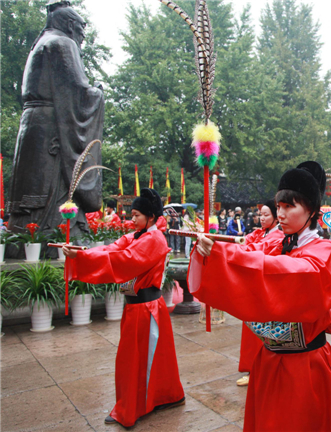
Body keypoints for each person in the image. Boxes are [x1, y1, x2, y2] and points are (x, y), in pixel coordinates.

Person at [188, 161, 331, 431]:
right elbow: (247, 254)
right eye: (279, 207)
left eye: (290, 207)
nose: (281, 214)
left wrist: (228, 256)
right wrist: (212, 249)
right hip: (267, 359)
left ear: (311, 210)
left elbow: (297, 274)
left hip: (305, 365)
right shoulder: (274, 242)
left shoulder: (326, 252)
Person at [63, 188, 185, 428]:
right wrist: (81, 253)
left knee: (139, 361)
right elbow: (112, 249)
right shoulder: (138, 235)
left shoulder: (154, 239)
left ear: (150, 217)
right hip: (136, 308)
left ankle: (135, 407)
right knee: (141, 359)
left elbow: (125, 260)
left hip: (147, 309)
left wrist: (84, 260)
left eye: (137, 215)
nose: (132, 219)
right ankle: (162, 397)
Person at [8, 2, 104, 240]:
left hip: (31, 124)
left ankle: (21, 241)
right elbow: (78, 91)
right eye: (81, 29)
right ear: (70, 25)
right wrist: (98, 93)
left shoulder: (39, 44)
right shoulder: (63, 43)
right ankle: (53, 239)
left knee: (33, 188)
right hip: (53, 125)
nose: (82, 36)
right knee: (56, 184)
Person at [236, 200, 284, 387]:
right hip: (253, 288)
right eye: (261, 215)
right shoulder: (259, 233)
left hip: (265, 290)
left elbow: (253, 251)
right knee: (250, 330)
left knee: (261, 332)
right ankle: (251, 366)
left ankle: (257, 368)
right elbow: (243, 243)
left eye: (266, 215)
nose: (262, 218)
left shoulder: (277, 236)